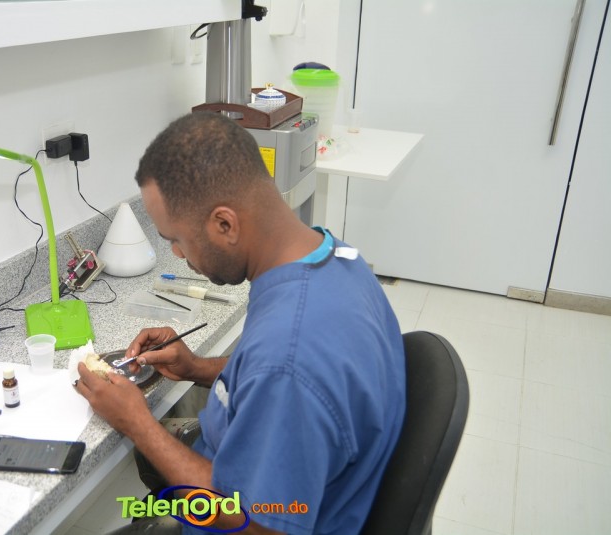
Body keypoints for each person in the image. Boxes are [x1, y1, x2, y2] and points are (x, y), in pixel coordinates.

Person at [75, 111, 406, 534]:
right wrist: (197, 367)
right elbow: (275, 377)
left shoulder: (287, 356)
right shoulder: (334, 258)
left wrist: (137, 424)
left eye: (177, 239)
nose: (177, 254)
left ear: (224, 224)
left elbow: (257, 525)